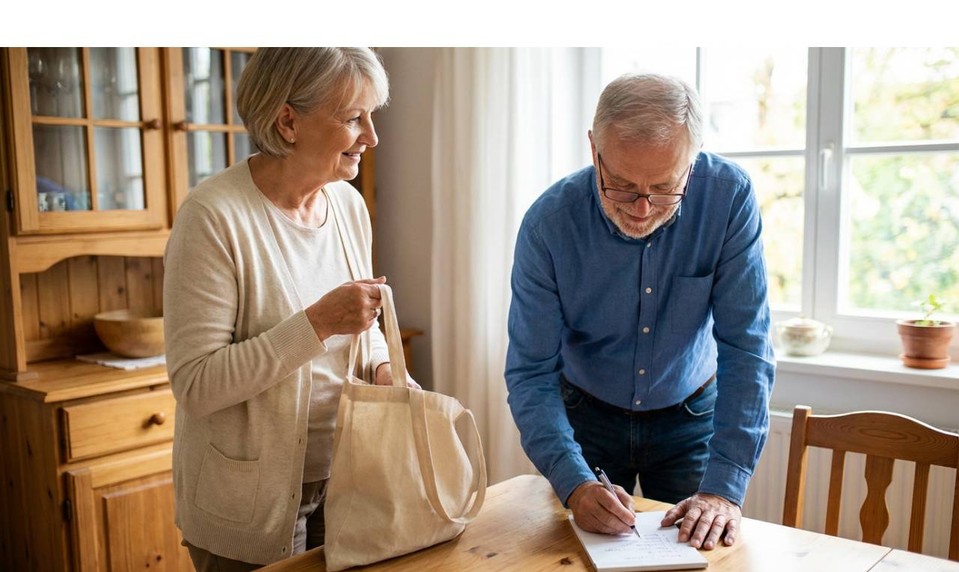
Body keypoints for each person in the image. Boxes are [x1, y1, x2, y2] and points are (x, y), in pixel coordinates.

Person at [164, 48, 414, 571]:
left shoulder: (346, 204)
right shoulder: (212, 217)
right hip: (246, 503)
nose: (372, 137)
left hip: (346, 481)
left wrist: (385, 369)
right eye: (354, 118)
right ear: (288, 122)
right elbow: (197, 385)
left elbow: (361, 325)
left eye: (372, 116)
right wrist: (318, 323)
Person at [505, 73, 775, 551]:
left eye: (665, 187)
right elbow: (530, 371)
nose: (643, 208)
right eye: (622, 185)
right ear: (594, 149)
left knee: (700, 554)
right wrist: (573, 481)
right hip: (585, 419)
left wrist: (723, 488)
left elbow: (747, 346)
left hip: (690, 416)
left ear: (693, 159)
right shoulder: (548, 225)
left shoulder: (729, 198)